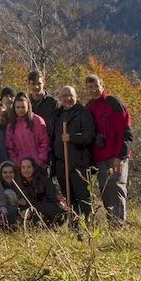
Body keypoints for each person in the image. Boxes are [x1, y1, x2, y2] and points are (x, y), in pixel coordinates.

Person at [85, 74, 133, 226]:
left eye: (96, 86)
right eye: (90, 87)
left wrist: (121, 156)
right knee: (105, 189)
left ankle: (119, 226)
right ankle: (112, 223)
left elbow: (126, 131)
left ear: (102, 85)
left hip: (116, 155)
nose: (93, 90)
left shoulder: (114, 103)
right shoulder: (89, 107)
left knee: (117, 187)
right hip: (99, 157)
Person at [50, 85, 96, 219]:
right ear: (59, 98)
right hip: (61, 165)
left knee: (83, 199)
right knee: (69, 199)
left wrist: (72, 137)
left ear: (76, 96)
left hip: (78, 164)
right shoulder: (56, 115)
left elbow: (89, 136)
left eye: (70, 95)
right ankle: (74, 227)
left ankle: (87, 227)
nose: (67, 98)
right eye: (64, 96)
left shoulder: (83, 112)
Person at [18, 157, 66, 226]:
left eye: (29, 167)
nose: (26, 170)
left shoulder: (44, 180)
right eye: (23, 167)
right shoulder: (20, 183)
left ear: (34, 168)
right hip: (31, 212)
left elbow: (50, 198)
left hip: (48, 210)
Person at [6, 93, 50, 168]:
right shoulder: (11, 126)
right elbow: (10, 147)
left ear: (28, 107)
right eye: (18, 107)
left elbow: (44, 142)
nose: (20, 110)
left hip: (37, 163)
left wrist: (40, 160)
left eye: (23, 107)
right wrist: (16, 162)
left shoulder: (37, 121)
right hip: (21, 165)